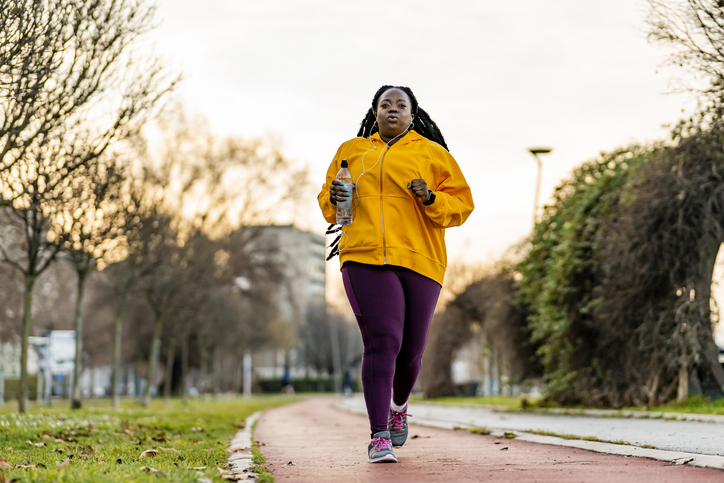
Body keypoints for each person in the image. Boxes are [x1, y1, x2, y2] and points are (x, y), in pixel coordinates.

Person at [317, 85, 474, 463]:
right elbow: (327, 203)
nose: (392, 109)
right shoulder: (351, 152)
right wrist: (335, 199)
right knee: (383, 341)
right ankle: (379, 436)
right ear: (374, 112)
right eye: (384, 104)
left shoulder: (433, 154)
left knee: (410, 354)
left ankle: (398, 405)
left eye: (400, 105)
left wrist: (431, 198)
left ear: (412, 114)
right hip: (364, 256)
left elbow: (463, 205)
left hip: (421, 259)